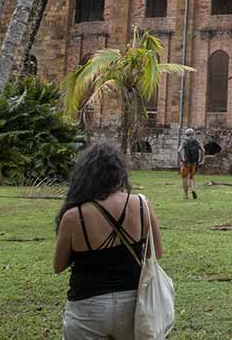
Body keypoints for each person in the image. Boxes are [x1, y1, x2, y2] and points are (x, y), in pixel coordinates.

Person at [54, 142, 164, 340]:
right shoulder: (141, 205)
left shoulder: (73, 216)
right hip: (132, 305)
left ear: (86, 175)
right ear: (119, 172)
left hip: (87, 306)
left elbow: (59, 265)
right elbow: (156, 252)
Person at [178, 128, 205, 200]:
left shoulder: (184, 141)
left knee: (185, 178)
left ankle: (186, 195)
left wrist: (181, 159)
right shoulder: (197, 141)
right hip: (194, 162)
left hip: (186, 162)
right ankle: (193, 189)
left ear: (186, 134)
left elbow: (179, 151)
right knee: (192, 177)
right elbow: (203, 150)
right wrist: (202, 160)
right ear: (193, 134)